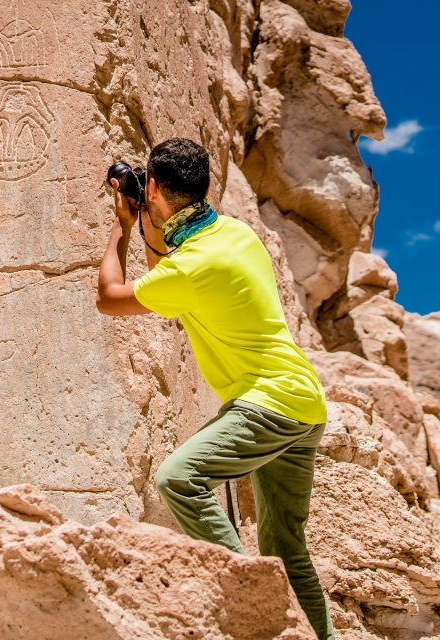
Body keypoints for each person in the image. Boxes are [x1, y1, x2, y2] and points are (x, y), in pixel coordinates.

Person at [96, 138, 334, 639]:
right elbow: (171, 274)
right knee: (287, 547)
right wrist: (152, 222)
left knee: (179, 478)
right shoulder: (234, 235)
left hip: (266, 405)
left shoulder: (194, 266)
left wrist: (122, 225)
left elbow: (111, 299)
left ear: (153, 186)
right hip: (304, 402)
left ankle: (250, 599)